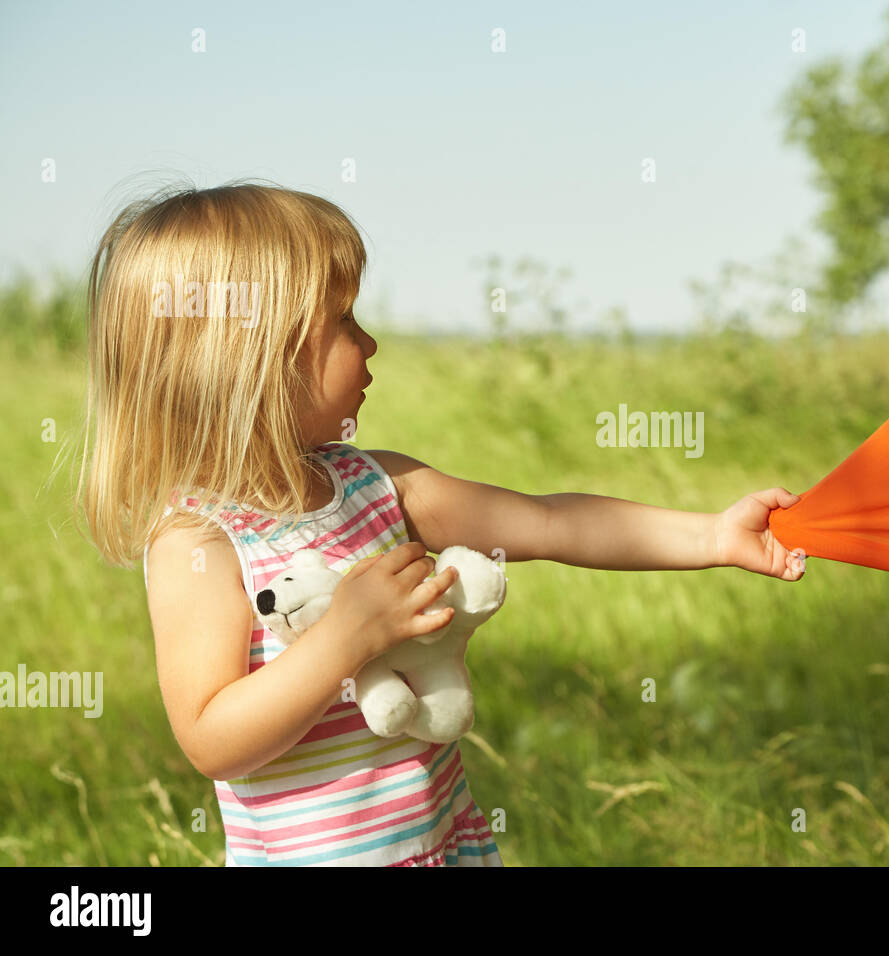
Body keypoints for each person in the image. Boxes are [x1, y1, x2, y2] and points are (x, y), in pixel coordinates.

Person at [76, 180, 806, 866]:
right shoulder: (200, 542)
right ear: (247, 361)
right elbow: (212, 738)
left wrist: (712, 536)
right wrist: (344, 639)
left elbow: (550, 523)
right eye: (341, 322)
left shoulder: (381, 486)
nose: (369, 344)